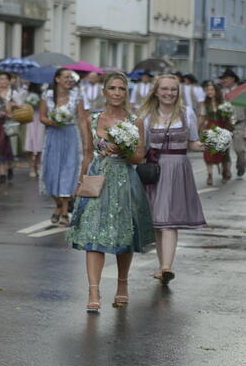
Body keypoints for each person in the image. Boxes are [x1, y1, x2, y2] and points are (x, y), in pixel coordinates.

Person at [68, 72, 155, 312]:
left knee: (123, 236)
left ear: (126, 93)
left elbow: (139, 157)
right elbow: (87, 152)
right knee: (93, 235)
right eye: (113, 88)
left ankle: (122, 285)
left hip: (125, 180)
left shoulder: (135, 120)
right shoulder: (92, 119)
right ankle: (93, 290)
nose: (117, 93)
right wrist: (80, 182)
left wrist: (123, 149)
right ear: (104, 92)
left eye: (121, 89)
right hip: (98, 179)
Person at [138, 74, 206, 286]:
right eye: (165, 89)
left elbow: (193, 143)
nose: (169, 93)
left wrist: (210, 144)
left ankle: (167, 266)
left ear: (178, 92)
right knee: (159, 221)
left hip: (178, 169)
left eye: (173, 90)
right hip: (154, 170)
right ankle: (162, 266)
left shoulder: (187, 113)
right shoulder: (146, 116)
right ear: (156, 92)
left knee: (169, 221)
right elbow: (140, 147)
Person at [40, 68, 86, 226]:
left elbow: (81, 119)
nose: (69, 79)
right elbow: (42, 117)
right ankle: (58, 204)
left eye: (71, 77)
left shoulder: (77, 96)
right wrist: (52, 121)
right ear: (57, 79)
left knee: (69, 171)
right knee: (51, 172)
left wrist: (87, 141)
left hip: (70, 135)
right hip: (53, 136)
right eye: (66, 77)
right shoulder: (47, 95)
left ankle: (65, 210)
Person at [201, 81, 233, 185]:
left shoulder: (223, 103)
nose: (209, 92)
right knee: (208, 152)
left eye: (211, 90)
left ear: (216, 91)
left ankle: (225, 172)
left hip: (222, 127)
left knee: (223, 152)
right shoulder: (205, 103)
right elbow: (202, 117)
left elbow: (229, 117)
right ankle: (209, 175)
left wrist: (227, 115)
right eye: (207, 90)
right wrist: (198, 129)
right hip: (210, 128)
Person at [219, 69, 245, 178]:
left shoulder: (242, 91)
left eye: (226, 78)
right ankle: (226, 171)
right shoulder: (221, 92)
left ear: (233, 79)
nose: (223, 80)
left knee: (239, 149)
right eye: (222, 79)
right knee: (223, 150)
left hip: (239, 124)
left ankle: (241, 165)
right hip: (224, 124)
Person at [23, 83, 45, 177]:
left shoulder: (43, 95)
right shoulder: (25, 94)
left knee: (39, 142)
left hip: (39, 119)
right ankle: (32, 166)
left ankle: (38, 166)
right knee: (30, 143)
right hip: (29, 118)